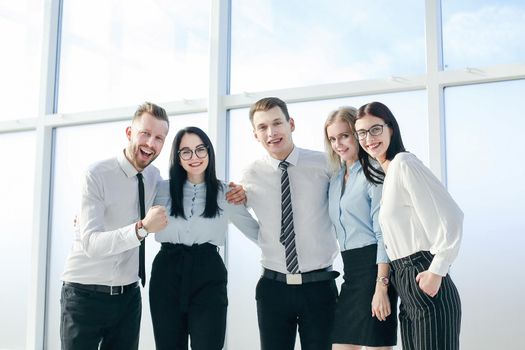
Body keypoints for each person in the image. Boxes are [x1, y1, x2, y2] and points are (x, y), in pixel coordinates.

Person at [60, 102, 170, 350]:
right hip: (83, 295)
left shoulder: (154, 177)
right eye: (145, 133)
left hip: (128, 298)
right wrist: (141, 228)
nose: (151, 143)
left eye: (159, 138)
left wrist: (231, 192)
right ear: (129, 133)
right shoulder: (96, 174)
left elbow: (184, 192)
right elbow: (91, 244)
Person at [354, 101, 463, 350]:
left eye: (375, 129)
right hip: (404, 280)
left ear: (390, 128)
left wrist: (437, 271)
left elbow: (452, 216)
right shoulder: (389, 173)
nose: (368, 138)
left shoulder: (404, 163)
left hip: (423, 272)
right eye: (362, 132)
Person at [241, 97, 339, 350]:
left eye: (277, 123)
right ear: (255, 135)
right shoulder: (250, 174)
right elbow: (239, 215)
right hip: (273, 289)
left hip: (319, 287)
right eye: (262, 127)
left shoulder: (325, 164)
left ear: (291, 124)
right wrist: (268, 240)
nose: (271, 132)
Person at [149, 126, 259, 350]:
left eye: (200, 149)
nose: (195, 157)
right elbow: (130, 215)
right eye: (186, 151)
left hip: (208, 274)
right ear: (177, 157)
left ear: (209, 152)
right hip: (166, 273)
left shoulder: (225, 192)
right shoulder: (160, 189)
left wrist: (253, 195)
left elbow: (257, 233)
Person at [324, 106, 397, 350]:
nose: (338, 144)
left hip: (375, 269)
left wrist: (381, 287)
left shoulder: (374, 172)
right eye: (332, 138)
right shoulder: (335, 179)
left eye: (344, 136)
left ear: (357, 134)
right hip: (351, 272)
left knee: (377, 346)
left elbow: (383, 233)